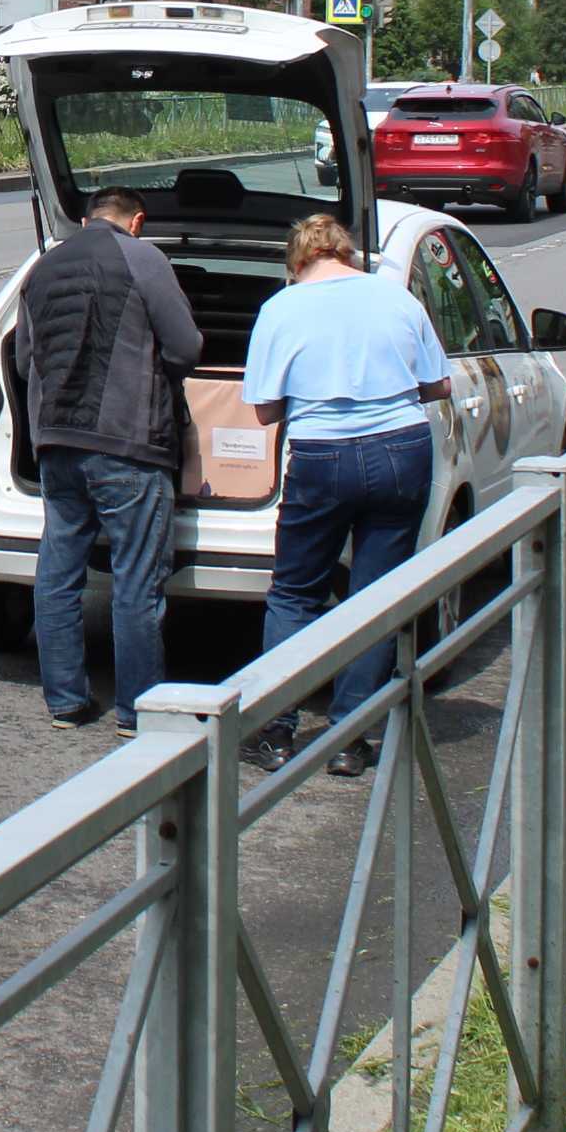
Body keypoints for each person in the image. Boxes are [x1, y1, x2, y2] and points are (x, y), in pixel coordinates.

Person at [242, 215, 452, 776]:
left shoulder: (281, 309)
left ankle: (277, 732)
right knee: (376, 594)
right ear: (348, 253)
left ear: (296, 262)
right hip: (402, 449)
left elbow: (264, 409)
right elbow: (440, 383)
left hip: (322, 455)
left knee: (294, 594)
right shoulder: (396, 299)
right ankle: (350, 739)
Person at [15, 185, 202, 730]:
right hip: (128, 446)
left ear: (85, 217)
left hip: (56, 446)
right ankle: (136, 711)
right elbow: (186, 347)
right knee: (136, 583)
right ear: (136, 221)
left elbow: (25, 361)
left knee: (57, 573)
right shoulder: (144, 258)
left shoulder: (42, 270)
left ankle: (66, 702)